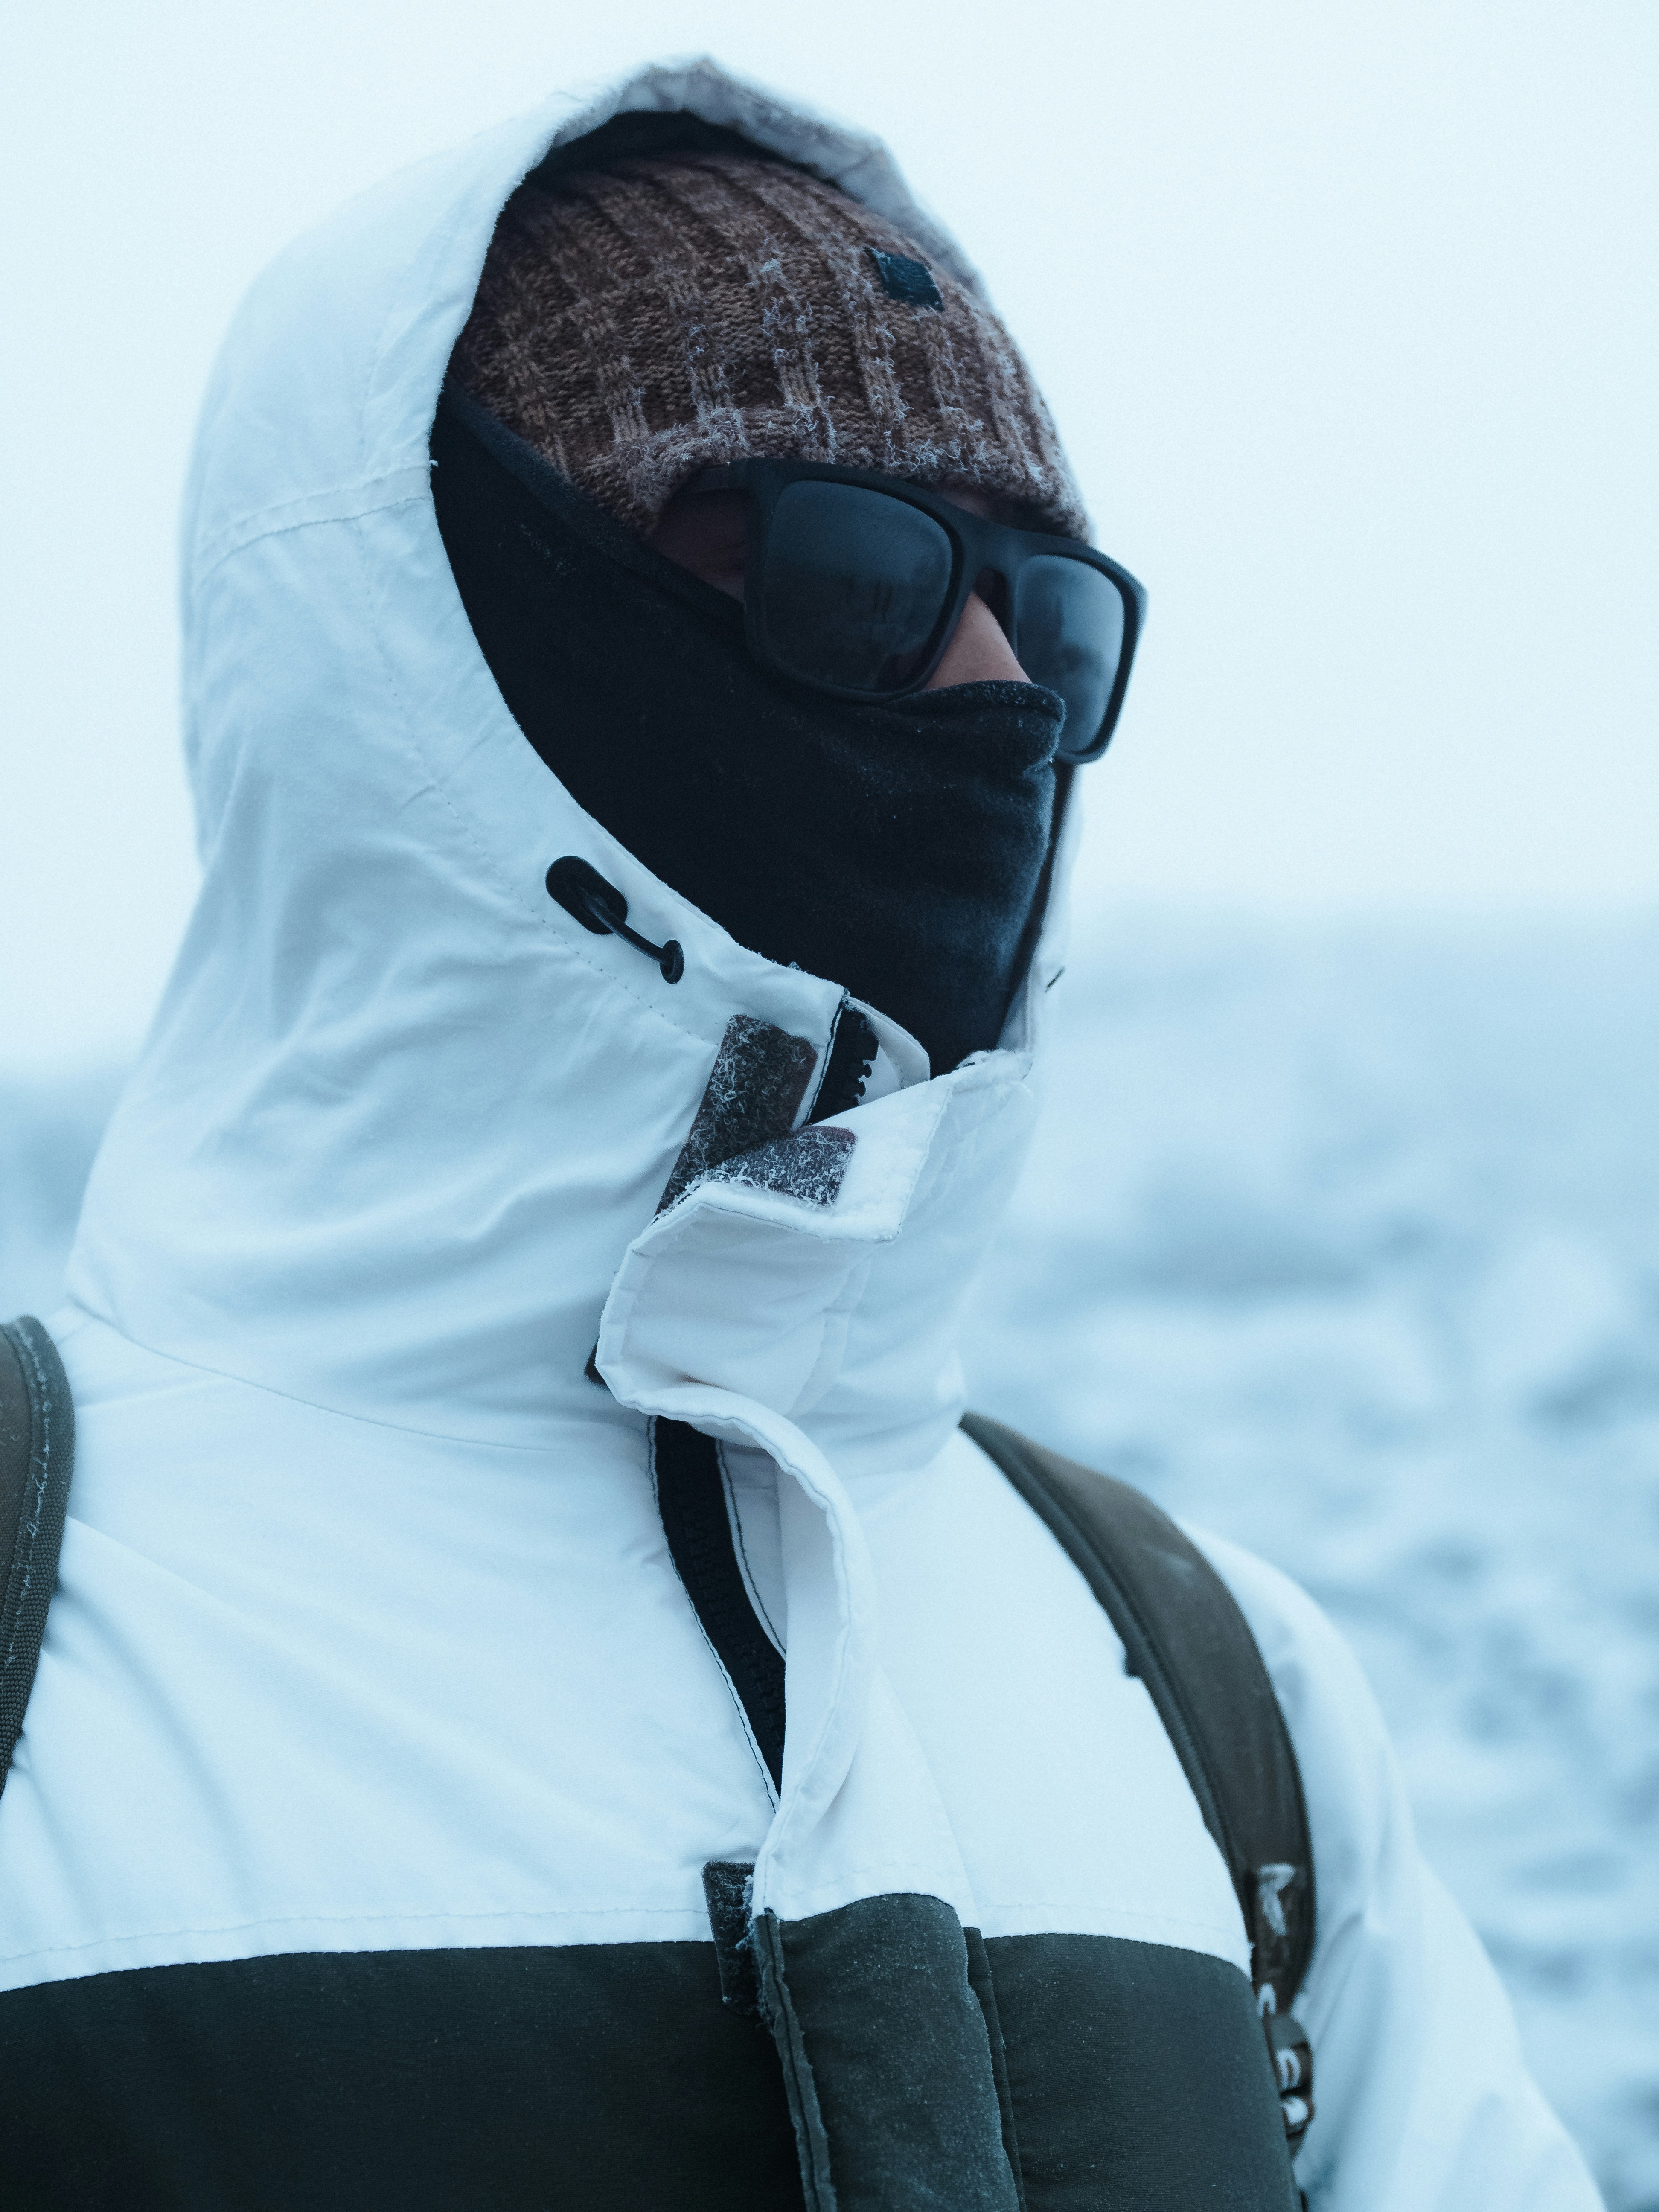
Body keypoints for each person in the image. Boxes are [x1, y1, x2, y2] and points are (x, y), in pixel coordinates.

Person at [0, 57, 1601, 2212]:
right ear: (431, 601)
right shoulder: (52, 1624)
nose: (987, 697)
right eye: (843, 577)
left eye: (1049, 617)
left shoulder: (1221, 1693)